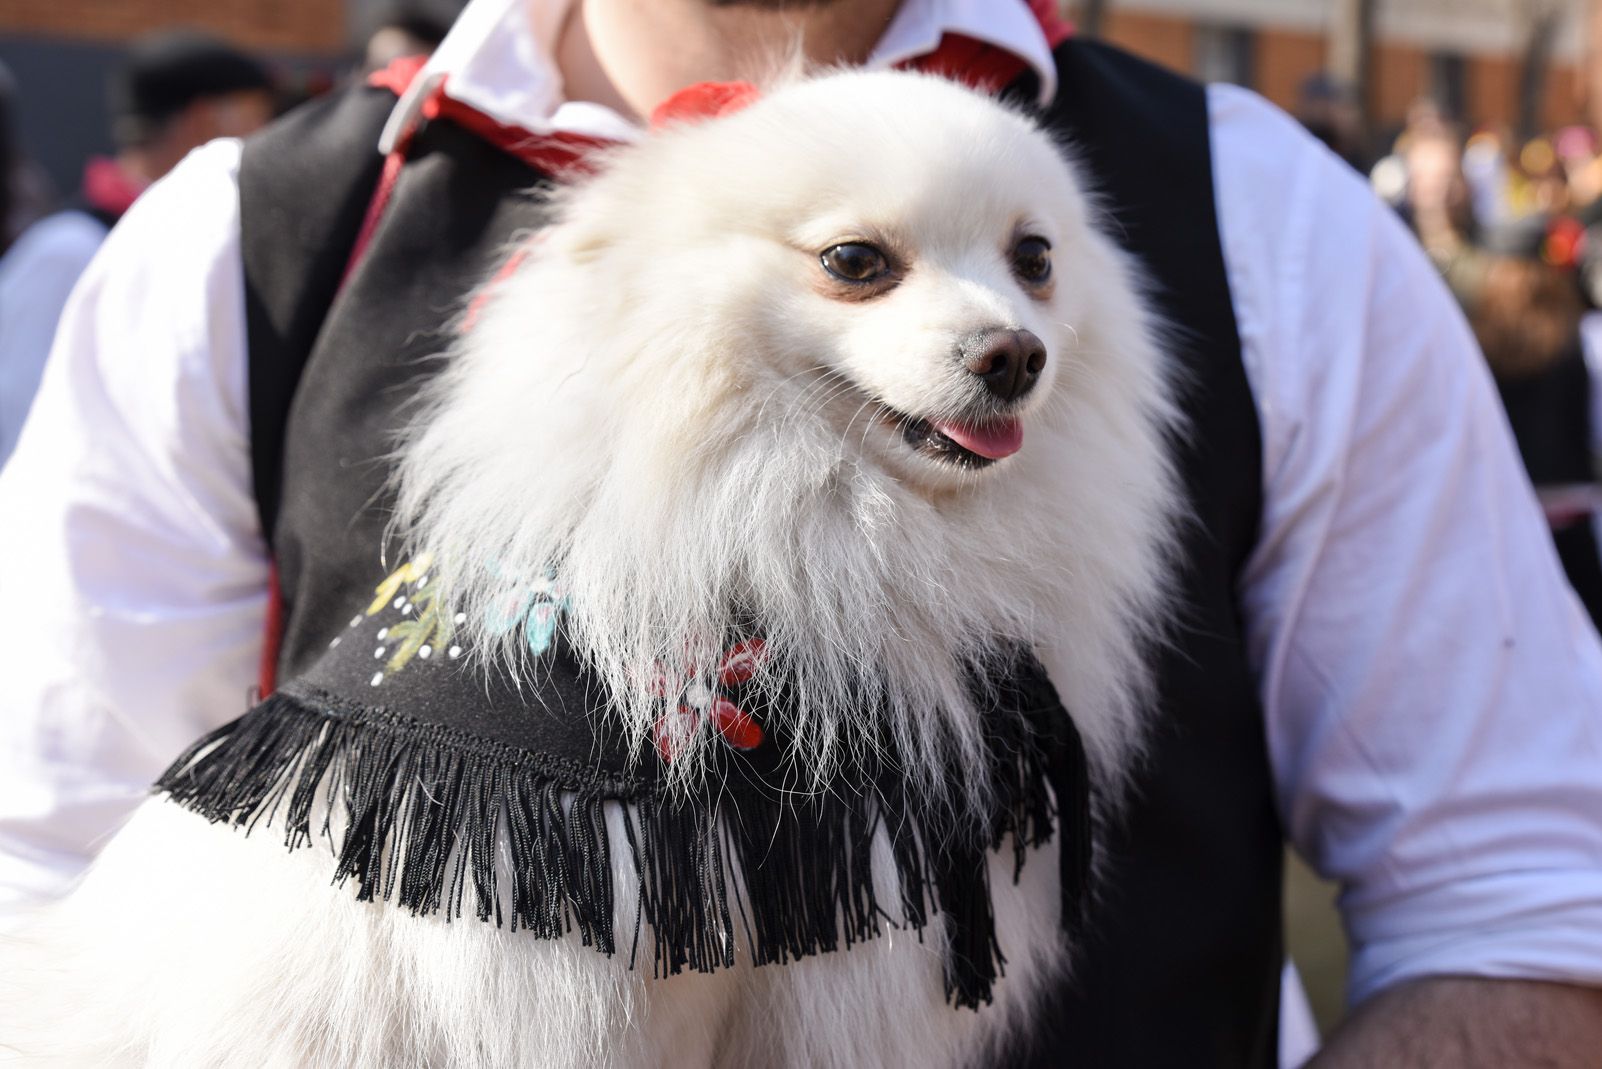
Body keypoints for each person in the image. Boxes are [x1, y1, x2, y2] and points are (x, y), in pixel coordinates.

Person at [1, 1, 1600, 1066]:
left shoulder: (1264, 214)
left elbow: (1527, 908)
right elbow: (46, 894)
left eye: (1032, 268)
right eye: (856, 262)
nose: (1003, 329)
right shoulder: (233, 243)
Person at [0, 30, 273, 468]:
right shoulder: (70, 250)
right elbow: (18, 429)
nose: (269, 139)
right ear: (205, 122)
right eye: (256, 118)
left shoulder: (187, 241)